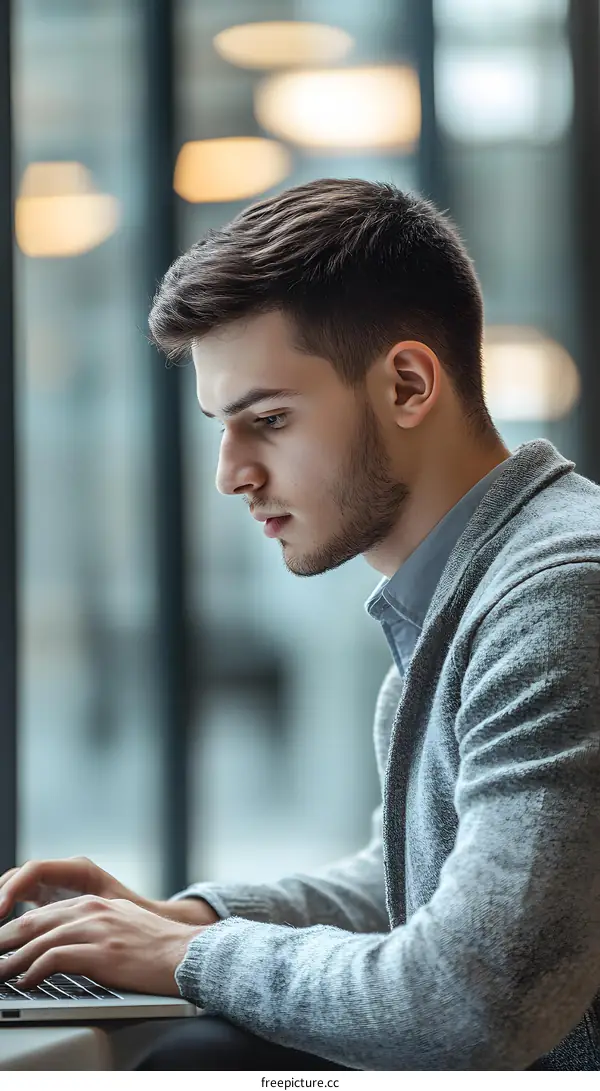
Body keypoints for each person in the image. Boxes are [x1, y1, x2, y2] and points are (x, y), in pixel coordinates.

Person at [1, 177, 600, 1071]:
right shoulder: (470, 590)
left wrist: (187, 958)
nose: (230, 473)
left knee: (187, 1064)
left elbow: (472, 1001)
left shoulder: (558, 595)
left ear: (407, 382)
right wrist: (190, 918)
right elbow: (416, 887)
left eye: (268, 421)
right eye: (220, 427)